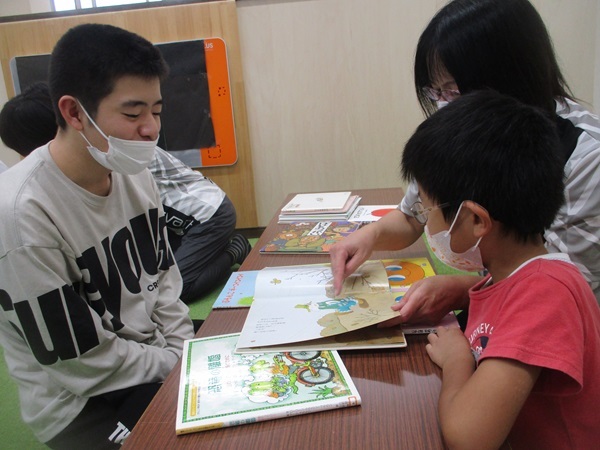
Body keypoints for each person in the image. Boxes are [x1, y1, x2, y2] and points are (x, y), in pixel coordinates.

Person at [330, 0, 600, 327]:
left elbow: (565, 292)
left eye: (453, 91)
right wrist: (369, 235)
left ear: (510, 76)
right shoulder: (467, 135)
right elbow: (415, 214)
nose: (443, 106)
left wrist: (462, 290)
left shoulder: (587, 157)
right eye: (435, 92)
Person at [0, 23, 195, 449]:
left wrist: (185, 349)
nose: (150, 129)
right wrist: (176, 364)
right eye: (133, 114)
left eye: (156, 110)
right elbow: (83, 362)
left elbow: (163, 278)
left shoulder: (132, 171)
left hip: (152, 353)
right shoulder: (19, 214)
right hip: (82, 400)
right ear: (74, 113)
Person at [399, 89, 600, 449]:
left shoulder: (546, 294)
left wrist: (457, 359)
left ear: (476, 220)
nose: (426, 224)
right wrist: (461, 290)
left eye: (427, 212)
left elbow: (468, 437)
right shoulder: (516, 272)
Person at [0, 82, 251, 303]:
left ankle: (234, 250)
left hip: (205, 215)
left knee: (174, 288)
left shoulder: (112, 154)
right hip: (169, 224)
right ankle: (209, 252)